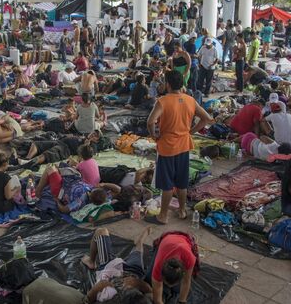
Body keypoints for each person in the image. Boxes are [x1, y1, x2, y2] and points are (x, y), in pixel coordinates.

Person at [146, 70, 212, 224]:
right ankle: (182, 211)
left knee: (167, 184)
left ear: (168, 84)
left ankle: (163, 216)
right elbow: (206, 118)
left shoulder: (163, 101)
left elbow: (150, 122)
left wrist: (153, 135)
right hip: (184, 146)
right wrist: (191, 131)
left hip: (167, 147)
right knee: (181, 182)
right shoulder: (190, 100)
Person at [81, 227, 153, 302]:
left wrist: (96, 289)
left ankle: (91, 262)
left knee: (101, 232)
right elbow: (151, 293)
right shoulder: (145, 301)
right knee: (138, 250)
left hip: (109, 268)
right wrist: (138, 283)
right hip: (134, 273)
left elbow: (87, 300)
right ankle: (140, 240)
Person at [147, 231, 199, 304]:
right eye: (166, 282)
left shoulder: (190, 258)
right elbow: (157, 301)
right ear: (162, 273)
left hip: (182, 243)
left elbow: (186, 281)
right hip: (167, 241)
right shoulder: (159, 265)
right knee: (149, 278)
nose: (168, 285)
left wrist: (182, 301)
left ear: (182, 273)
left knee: (178, 290)